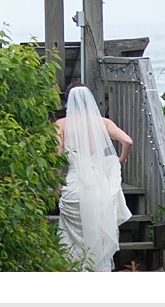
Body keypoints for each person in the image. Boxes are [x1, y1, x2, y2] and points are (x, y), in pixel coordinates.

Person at [54, 84, 134, 271]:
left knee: (74, 239)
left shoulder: (61, 124)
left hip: (75, 187)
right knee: (97, 234)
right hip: (99, 187)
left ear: (68, 102)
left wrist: (58, 183)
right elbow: (128, 141)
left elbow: (57, 157)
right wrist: (119, 160)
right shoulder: (103, 123)